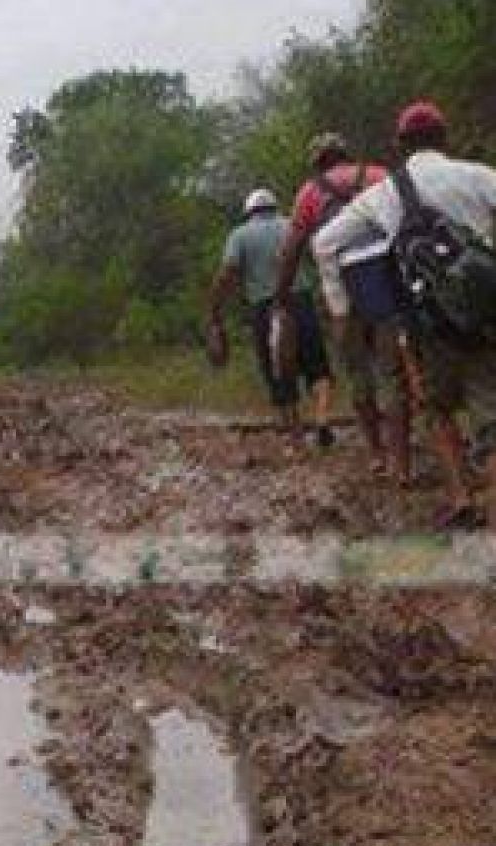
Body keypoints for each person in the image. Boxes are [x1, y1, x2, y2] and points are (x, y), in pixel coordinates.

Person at [315, 101, 496, 529]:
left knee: (437, 409)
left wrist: (342, 308)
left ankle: (459, 497)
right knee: (491, 412)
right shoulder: (479, 176)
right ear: (445, 138)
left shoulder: (384, 194)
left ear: (400, 145)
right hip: (486, 317)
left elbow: (324, 243)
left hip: (427, 323)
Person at [275, 133, 412, 483]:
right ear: (346, 154)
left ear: (318, 162)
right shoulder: (379, 176)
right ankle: (401, 462)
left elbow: (291, 249)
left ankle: (377, 455)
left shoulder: (310, 192)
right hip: (385, 284)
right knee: (393, 375)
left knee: (358, 374)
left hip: (342, 295)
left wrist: (281, 297)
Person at [209, 188, 335, 442]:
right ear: (275, 207)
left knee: (276, 368)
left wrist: (215, 307)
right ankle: (322, 419)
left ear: (249, 211)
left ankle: (294, 432)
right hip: (300, 300)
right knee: (316, 363)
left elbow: (228, 272)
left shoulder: (240, 235)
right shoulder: (291, 226)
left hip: (264, 307)